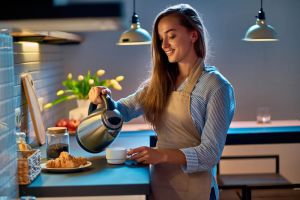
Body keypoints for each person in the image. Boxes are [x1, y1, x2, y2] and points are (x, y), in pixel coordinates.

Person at [89, 3, 235, 200]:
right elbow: (122, 110)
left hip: (196, 189)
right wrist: (103, 98)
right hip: (160, 184)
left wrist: (160, 155)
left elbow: (210, 154)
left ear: (194, 35)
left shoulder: (216, 87)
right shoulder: (159, 83)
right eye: (160, 39)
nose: (164, 45)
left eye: (172, 36)